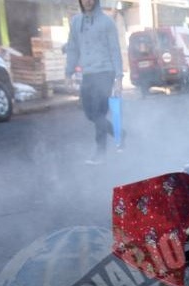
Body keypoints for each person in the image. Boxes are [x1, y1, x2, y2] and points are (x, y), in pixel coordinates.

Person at [65, 0, 123, 164]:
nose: (88, 2)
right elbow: (72, 48)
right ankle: (120, 134)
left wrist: (119, 77)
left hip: (105, 72)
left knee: (99, 113)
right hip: (88, 73)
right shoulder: (76, 22)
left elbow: (115, 49)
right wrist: (68, 73)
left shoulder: (107, 22)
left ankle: (100, 153)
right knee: (89, 114)